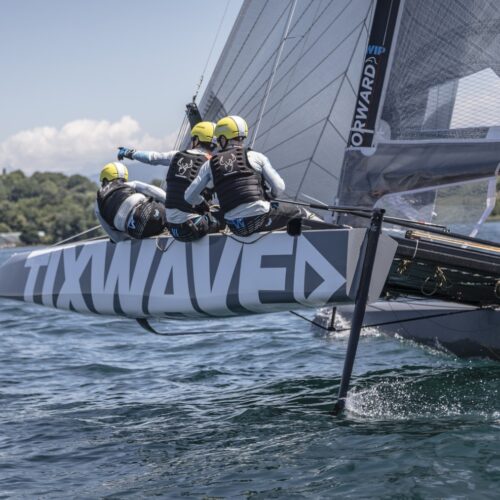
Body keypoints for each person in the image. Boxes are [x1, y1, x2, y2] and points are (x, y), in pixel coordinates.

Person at [184, 115, 320, 236]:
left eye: (219, 139)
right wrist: (270, 196)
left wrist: (202, 203)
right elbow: (279, 188)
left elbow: (189, 196)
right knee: (300, 213)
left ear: (224, 138)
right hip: (260, 219)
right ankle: (337, 231)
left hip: (235, 227)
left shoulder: (210, 164)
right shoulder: (256, 157)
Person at [117, 121, 225, 242]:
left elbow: (153, 157)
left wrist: (130, 153)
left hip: (173, 228)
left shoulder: (176, 155)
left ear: (196, 139)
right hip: (193, 228)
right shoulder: (212, 164)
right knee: (225, 215)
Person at [96, 162, 167, 242]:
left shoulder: (98, 205)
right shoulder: (129, 184)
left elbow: (116, 237)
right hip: (150, 211)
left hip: (136, 230)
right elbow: (151, 190)